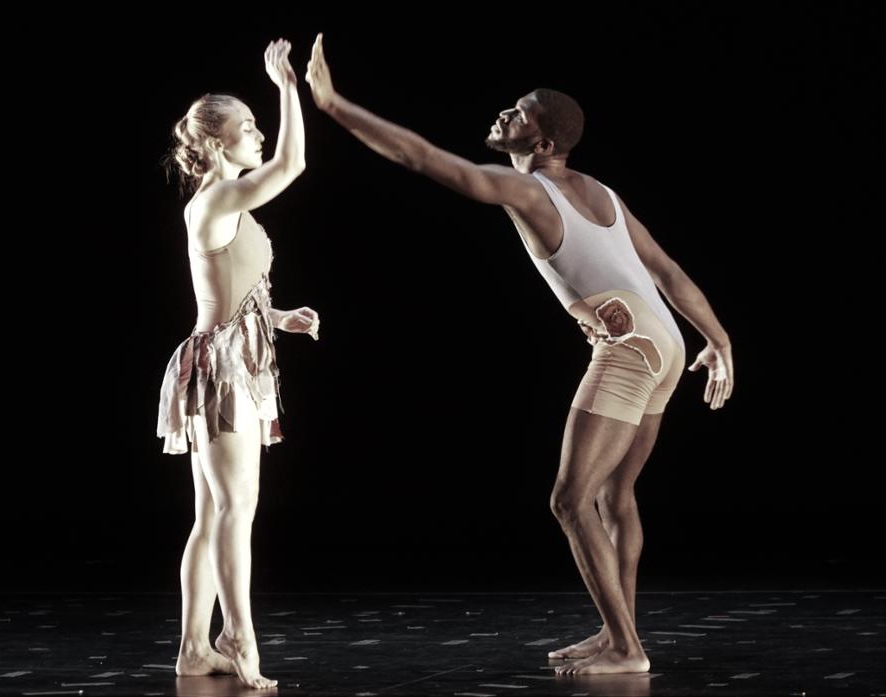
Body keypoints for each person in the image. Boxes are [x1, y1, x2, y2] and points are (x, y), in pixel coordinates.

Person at [305, 33, 732, 676]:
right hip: (665, 343)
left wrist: (333, 104)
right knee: (616, 495)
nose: (506, 112)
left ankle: (626, 648)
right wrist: (718, 340)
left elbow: (425, 159)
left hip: (631, 346)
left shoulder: (532, 191)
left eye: (522, 112)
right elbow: (667, 272)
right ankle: (619, 632)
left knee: (569, 500)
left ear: (542, 145)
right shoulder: (603, 193)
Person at [157, 39, 318, 689]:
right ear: (219, 146)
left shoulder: (231, 206)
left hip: (236, 359)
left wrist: (280, 318)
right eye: (247, 126)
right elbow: (293, 162)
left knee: (215, 513)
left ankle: (195, 648)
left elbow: (227, 290)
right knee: (233, 509)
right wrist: (286, 86)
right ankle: (239, 638)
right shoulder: (215, 201)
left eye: (257, 122)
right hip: (222, 370)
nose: (257, 134)